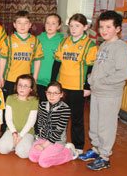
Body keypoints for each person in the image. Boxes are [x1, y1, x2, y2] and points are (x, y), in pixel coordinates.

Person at [80, 11, 127, 170]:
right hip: (97, 92)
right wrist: (91, 80)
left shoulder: (120, 47)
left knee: (106, 126)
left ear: (117, 29)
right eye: (101, 27)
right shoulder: (103, 44)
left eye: (108, 27)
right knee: (95, 124)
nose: (104, 30)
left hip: (109, 94)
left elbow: (124, 73)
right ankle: (96, 149)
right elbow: (98, 67)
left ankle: (104, 156)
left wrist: (103, 82)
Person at [51, 13, 97, 154]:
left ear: (85, 27)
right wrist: (54, 83)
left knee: (76, 118)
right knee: (60, 116)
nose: (73, 29)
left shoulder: (90, 45)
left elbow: (91, 68)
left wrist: (87, 87)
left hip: (78, 88)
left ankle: (78, 146)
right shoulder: (64, 42)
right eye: (71, 26)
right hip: (62, 86)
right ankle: (58, 142)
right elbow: (57, 63)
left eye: (77, 26)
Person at [28, 81, 77, 168]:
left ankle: (68, 152)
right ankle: (47, 152)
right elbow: (40, 123)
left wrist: (44, 146)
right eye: (49, 93)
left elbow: (58, 131)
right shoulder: (42, 105)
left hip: (56, 141)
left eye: (55, 93)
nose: (51, 96)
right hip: (43, 138)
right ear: (46, 93)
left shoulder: (65, 109)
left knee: (43, 163)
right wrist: (39, 139)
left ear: (61, 94)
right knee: (33, 157)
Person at [0, 11, 43, 98]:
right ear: (14, 25)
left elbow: (37, 60)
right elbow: (3, 59)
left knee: (23, 105)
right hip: (10, 79)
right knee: (8, 105)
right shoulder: (9, 40)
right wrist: (0, 76)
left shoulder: (35, 41)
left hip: (26, 81)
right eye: (19, 23)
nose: (22, 26)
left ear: (30, 25)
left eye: (25, 23)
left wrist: (34, 79)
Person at [0, 74, 38, 159]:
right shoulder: (10, 98)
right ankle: (15, 143)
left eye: (26, 86)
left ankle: (29, 142)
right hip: (12, 131)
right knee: (2, 149)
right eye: (20, 85)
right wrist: (14, 133)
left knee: (22, 154)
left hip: (26, 132)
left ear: (31, 89)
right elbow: (8, 119)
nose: (22, 88)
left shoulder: (34, 101)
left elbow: (31, 122)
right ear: (16, 86)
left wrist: (20, 136)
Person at [35, 14, 64, 102]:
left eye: (53, 23)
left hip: (53, 81)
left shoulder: (63, 41)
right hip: (37, 79)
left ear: (59, 26)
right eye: (47, 23)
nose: (50, 26)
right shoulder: (37, 39)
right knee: (38, 107)